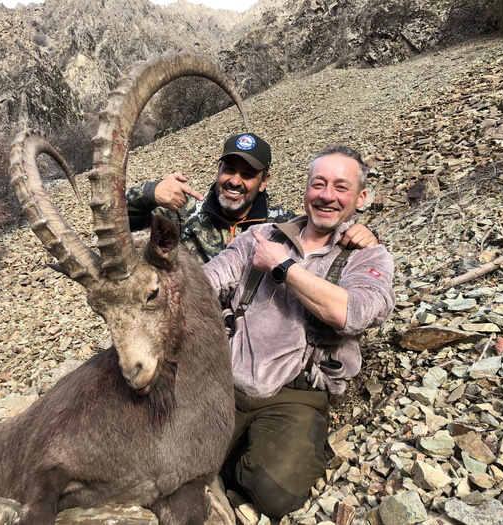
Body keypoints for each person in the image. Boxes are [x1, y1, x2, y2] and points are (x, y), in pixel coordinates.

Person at [202, 145, 396, 519]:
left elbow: (354, 313)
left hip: (295, 394)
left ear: (361, 197)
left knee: (275, 493)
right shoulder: (260, 236)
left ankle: (232, 468)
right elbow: (207, 281)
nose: (327, 195)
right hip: (222, 380)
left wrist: (283, 267)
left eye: (341, 187)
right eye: (318, 184)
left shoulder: (368, 256)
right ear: (305, 189)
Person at [126, 133, 378, 264]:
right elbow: (115, 226)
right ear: (218, 170)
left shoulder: (284, 225)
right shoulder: (183, 214)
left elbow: (327, 225)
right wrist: (149, 194)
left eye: (248, 174)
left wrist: (363, 233)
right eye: (229, 170)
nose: (235, 181)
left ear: (264, 181)